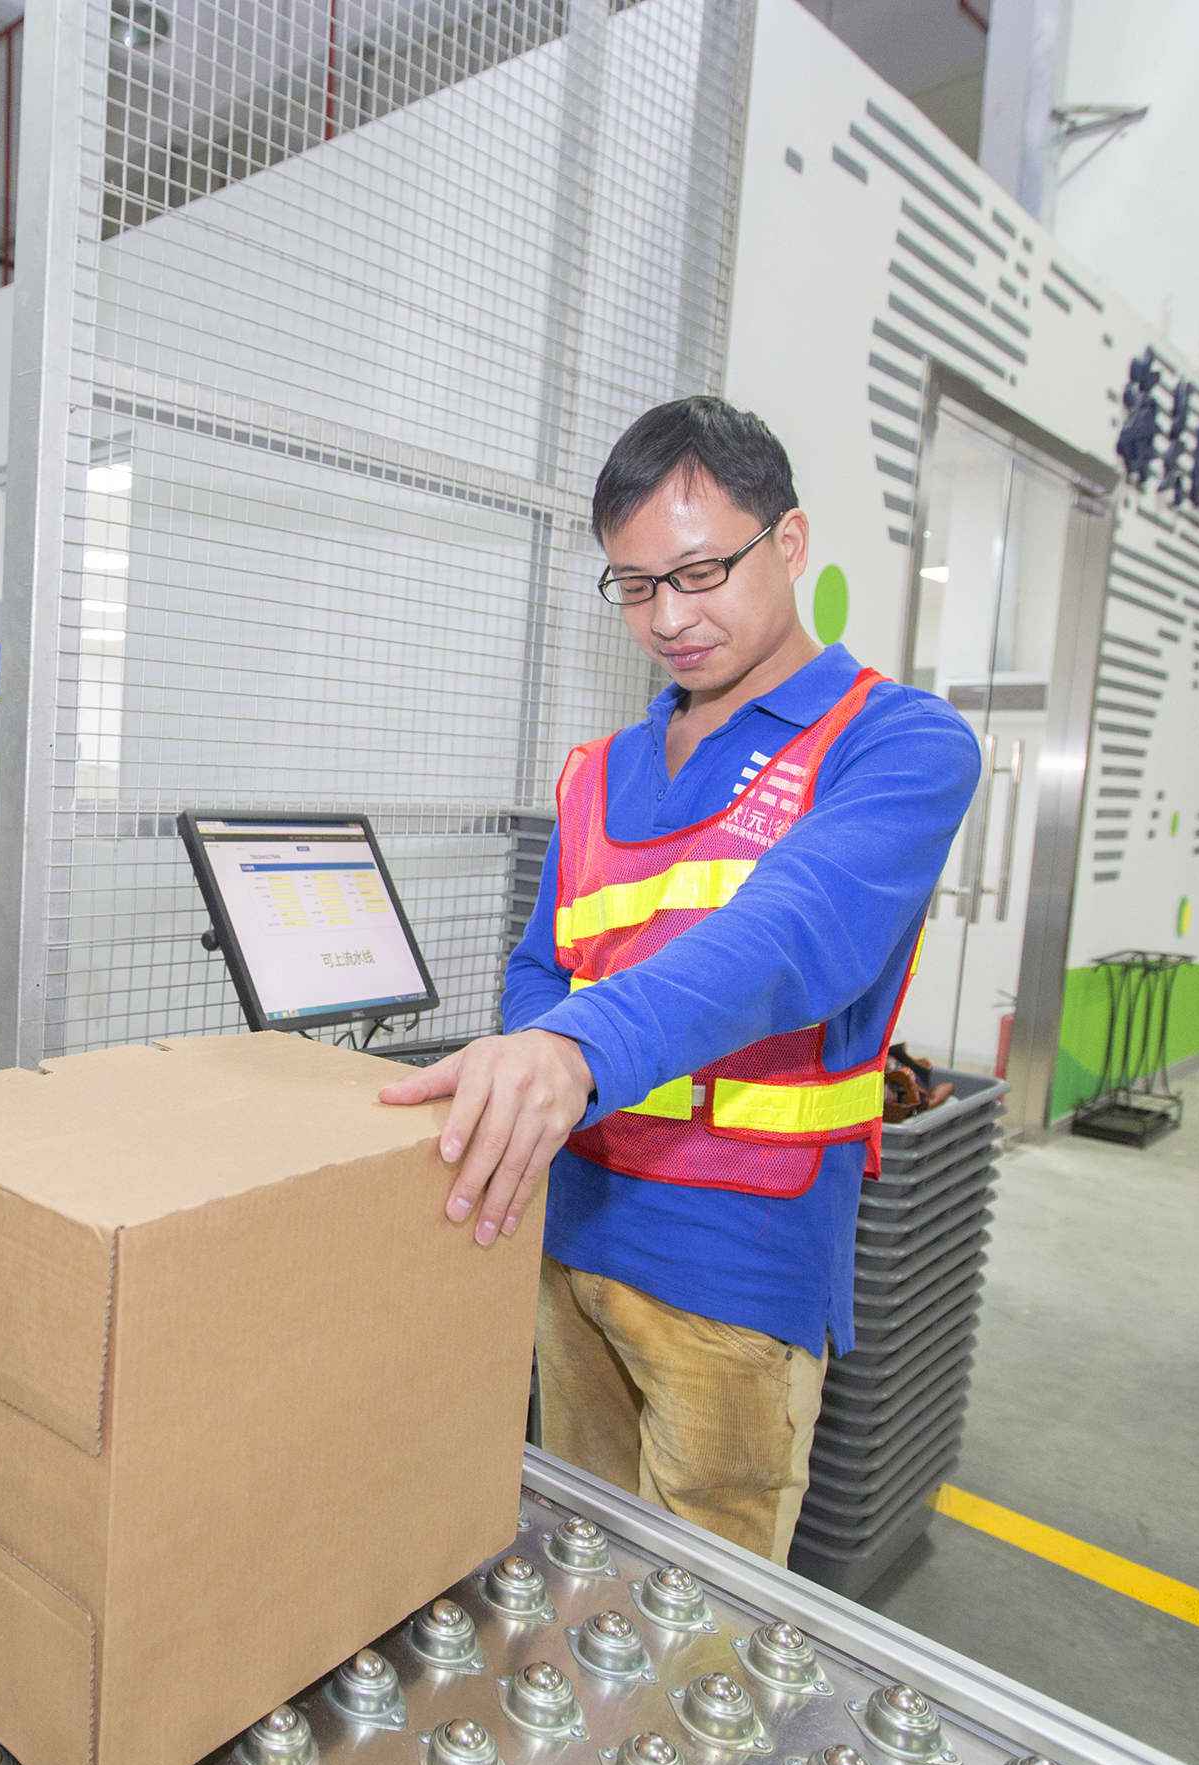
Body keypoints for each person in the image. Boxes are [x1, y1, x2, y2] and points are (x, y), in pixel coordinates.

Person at [381, 396, 980, 1562]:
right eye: (636, 585)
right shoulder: (599, 771)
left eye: (701, 574)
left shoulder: (895, 743)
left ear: (788, 542)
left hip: (734, 1264)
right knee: (574, 1569)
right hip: (571, 1233)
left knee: (699, 1615)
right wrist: (538, 1053)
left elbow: (796, 934)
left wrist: (574, 1050)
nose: (668, 618)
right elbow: (544, 962)